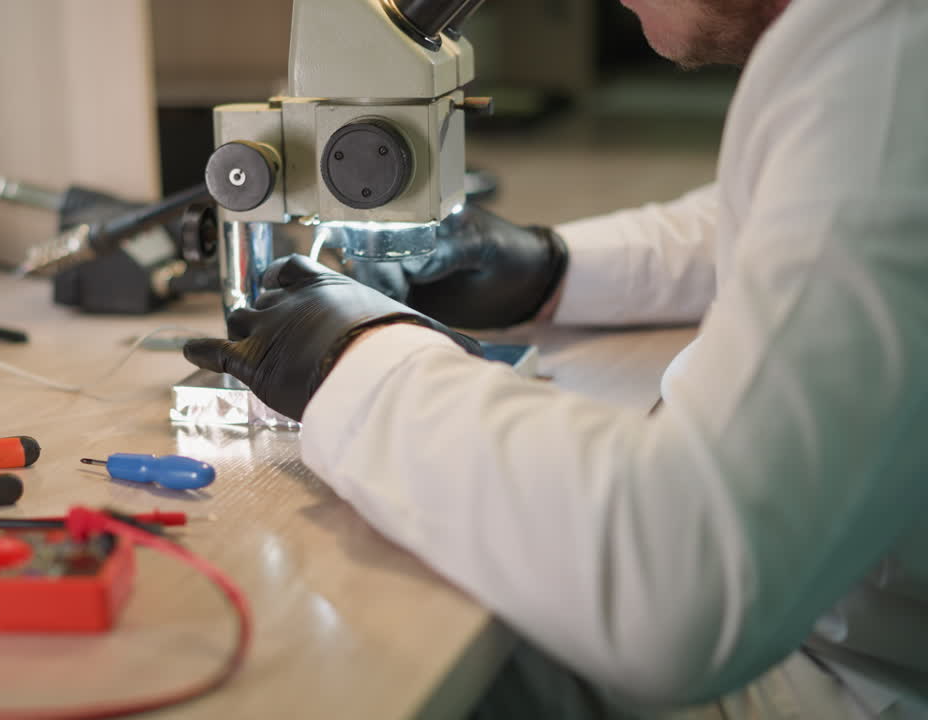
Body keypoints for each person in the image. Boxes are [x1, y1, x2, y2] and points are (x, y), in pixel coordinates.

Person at [182, 0, 928, 717]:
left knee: (363, 654)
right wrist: (555, 266)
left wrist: (360, 364)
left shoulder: (888, 58)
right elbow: (811, 213)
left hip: (847, 687)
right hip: (854, 628)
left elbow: (678, 583)